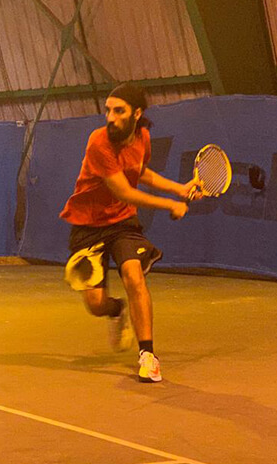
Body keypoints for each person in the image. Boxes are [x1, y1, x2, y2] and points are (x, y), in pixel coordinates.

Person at [60, 82, 200, 383]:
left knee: (134, 276)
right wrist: (170, 204)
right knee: (96, 305)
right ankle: (115, 310)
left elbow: (140, 172)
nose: (110, 117)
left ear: (137, 114)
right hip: (88, 225)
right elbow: (124, 191)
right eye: (108, 110)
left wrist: (180, 188)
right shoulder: (98, 142)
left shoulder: (143, 137)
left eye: (119, 111)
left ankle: (148, 355)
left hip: (123, 222)